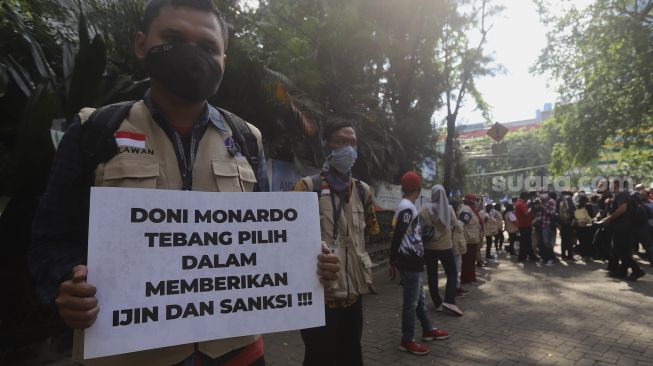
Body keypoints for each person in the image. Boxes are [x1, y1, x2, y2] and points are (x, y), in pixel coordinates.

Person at [28, 2, 340, 365]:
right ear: (141, 44)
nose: (192, 54)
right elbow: (48, 240)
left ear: (223, 58)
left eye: (208, 47)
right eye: (174, 38)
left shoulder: (247, 139)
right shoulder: (93, 131)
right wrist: (65, 281)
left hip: (238, 353)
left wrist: (308, 258)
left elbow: (264, 236)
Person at [293, 119, 379, 366]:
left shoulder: (363, 191)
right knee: (319, 358)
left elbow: (369, 232)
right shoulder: (307, 188)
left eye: (353, 143)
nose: (349, 149)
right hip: (319, 299)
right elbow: (289, 244)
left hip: (354, 297)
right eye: (341, 142)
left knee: (352, 354)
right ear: (327, 147)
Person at [389, 172, 449, 356]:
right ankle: (407, 340)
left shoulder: (405, 206)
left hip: (412, 259)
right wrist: (392, 260)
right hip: (410, 260)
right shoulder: (407, 208)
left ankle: (428, 329)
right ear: (419, 189)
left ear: (402, 188)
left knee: (419, 299)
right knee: (410, 303)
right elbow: (398, 234)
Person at [419, 185, 463, 316]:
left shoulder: (425, 209)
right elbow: (454, 224)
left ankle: (437, 303)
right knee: (452, 273)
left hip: (429, 248)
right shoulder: (449, 209)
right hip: (445, 246)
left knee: (432, 275)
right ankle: (449, 300)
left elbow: (421, 227)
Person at [599, 180, 645, 281]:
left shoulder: (622, 194)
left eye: (611, 184)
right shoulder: (624, 194)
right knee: (623, 250)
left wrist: (609, 218)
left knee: (621, 250)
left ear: (616, 185)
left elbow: (622, 209)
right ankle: (622, 272)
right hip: (625, 227)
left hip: (622, 227)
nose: (609, 186)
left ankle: (637, 270)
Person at [459, 194, 483, 284]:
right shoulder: (466, 210)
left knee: (471, 260)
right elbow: (460, 224)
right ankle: (466, 278)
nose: (476, 203)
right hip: (468, 239)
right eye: (475, 201)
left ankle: (470, 277)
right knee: (467, 260)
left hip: (472, 239)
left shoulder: (471, 210)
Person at [516, 192, 537, 262]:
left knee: (524, 242)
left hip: (523, 224)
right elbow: (526, 213)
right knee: (527, 241)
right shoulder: (520, 204)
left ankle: (523, 256)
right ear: (525, 198)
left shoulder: (519, 203)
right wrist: (532, 210)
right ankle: (531, 256)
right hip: (525, 225)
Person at [539, 191, 558, 267]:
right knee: (545, 243)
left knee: (547, 243)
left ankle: (552, 259)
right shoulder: (545, 201)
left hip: (548, 224)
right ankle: (547, 259)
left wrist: (543, 208)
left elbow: (552, 213)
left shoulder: (551, 201)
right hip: (544, 224)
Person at [573, 194, 595, 259]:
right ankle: (589, 255)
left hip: (579, 226)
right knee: (588, 241)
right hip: (588, 225)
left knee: (581, 241)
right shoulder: (589, 206)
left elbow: (575, 216)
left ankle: (583, 255)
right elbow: (591, 215)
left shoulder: (577, 206)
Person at [558, 192, 576, 260]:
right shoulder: (569, 199)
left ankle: (563, 255)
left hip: (562, 222)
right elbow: (572, 210)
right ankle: (570, 255)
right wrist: (573, 219)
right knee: (569, 239)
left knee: (563, 239)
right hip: (569, 222)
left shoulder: (560, 200)